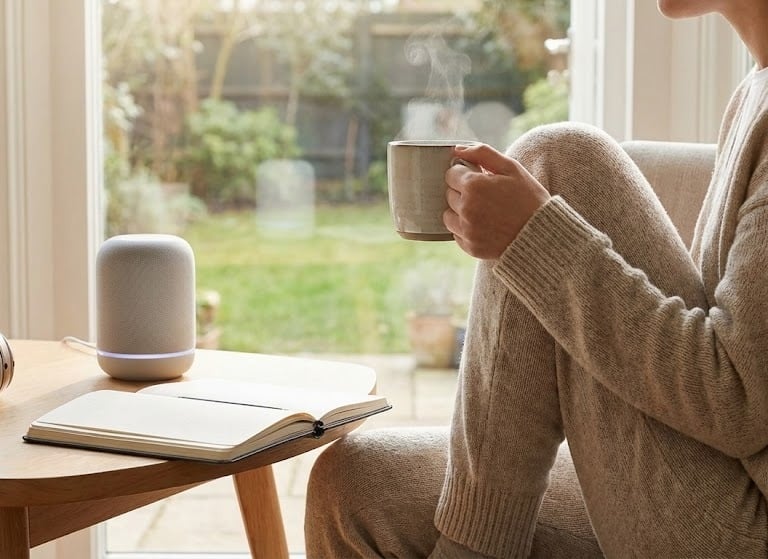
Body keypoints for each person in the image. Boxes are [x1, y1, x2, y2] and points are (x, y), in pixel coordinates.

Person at [305, 0, 768, 556]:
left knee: (562, 160)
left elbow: (738, 401)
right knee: (357, 483)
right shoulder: (755, 89)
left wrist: (537, 240)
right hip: (726, 479)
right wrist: (531, 240)